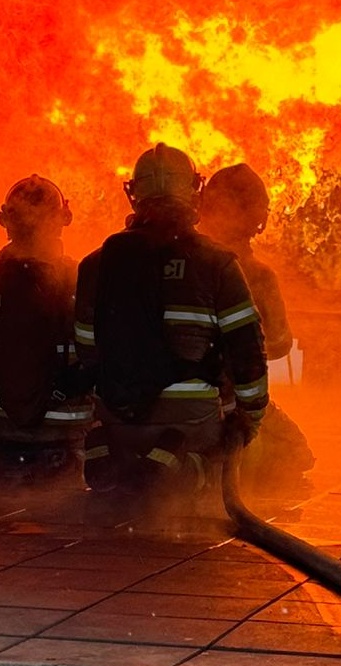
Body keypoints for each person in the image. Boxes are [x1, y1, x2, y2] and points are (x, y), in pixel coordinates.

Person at [74, 144, 270, 492]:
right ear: (194, 192)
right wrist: (249, 421)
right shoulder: (217, 262)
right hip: (191, 420)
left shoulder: (95, 265)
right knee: (242, 464)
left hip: (117, 415)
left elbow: (87, 351)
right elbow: (248, 351)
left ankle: (110, 452)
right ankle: (187, 470)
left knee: (124, 446)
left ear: (134, 195)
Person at [0, 176, 92, 475]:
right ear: (63, 218)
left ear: (5, 221)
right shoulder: (84, 282)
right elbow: (102, 362)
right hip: (67, 436)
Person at [197, 163, 316, 475]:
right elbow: (278, 345)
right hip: (230, 400)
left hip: (159, 399)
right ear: (257, 217)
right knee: (296, 455)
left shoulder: (182, 260)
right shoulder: (259, 275)